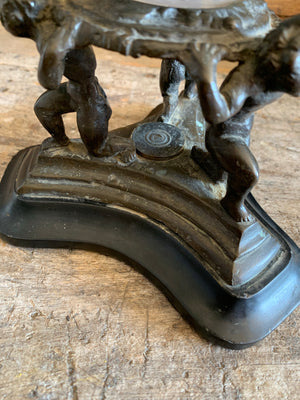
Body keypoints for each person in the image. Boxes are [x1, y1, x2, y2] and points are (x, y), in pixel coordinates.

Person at [188, 15, 300, 222]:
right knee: (249, 174)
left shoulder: (279, 64)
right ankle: (231, 202)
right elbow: (216, 114)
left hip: (244, 127)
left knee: (227, 171)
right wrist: (205, 74)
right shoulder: (248, 79)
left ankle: (211, 164)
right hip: (225, 135)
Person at [1, 0, 112, 156]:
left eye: (6, 18)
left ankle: (111, 154)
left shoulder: (53, 41)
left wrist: (49, 58)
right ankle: (62, 143)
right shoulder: (51, 22)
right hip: (73, 88)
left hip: (88, 97)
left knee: (97, 151)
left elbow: (50, 82)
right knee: (42, 108)